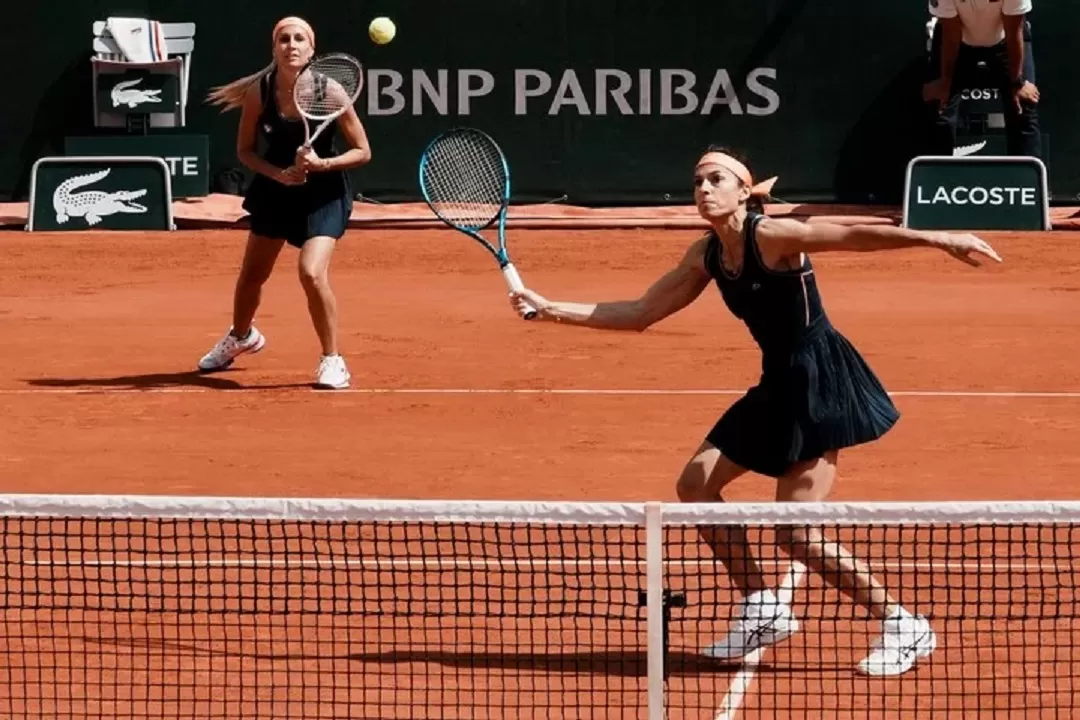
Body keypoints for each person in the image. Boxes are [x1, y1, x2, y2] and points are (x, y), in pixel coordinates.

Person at [509, 147, 1002, 676]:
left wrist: (937, 236)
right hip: (776, 383)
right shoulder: (705, 256)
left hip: (819, 381)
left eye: (716, 179)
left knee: (796, 535)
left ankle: (904, 624)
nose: (703, 189)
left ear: (744, 191)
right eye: (697, 180)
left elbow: (850, 235)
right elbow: (640, 312)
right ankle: (763, 606)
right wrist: (551, 309)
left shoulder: (769, 235)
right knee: (696, 485)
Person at [198, 16, 371, 389]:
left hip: (324, 193)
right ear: (274, 48)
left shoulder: (331, 92)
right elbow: (245, 151)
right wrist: (277, 174)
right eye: (283, 39)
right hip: (276, 191)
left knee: (311, 272)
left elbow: (362, 151)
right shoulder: (259, 92)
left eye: (298, 39)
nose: (291, 45)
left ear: (312, 50)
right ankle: (241, 336)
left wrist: (323, 164)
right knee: (252, 276)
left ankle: (332, 360)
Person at [924, 0, 1041, 158]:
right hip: (957, 42)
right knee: (940, 107)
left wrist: (1017, 83)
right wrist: (945, 82)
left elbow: (1013, 33)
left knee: (1022, 106)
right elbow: (951, 36)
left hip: (1005, 40)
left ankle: (1026, 179)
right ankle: (935, 177)